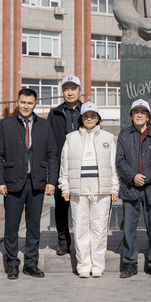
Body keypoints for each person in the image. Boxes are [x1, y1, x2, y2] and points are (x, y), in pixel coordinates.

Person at [0, 89, 57, 280]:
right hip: (12, 182)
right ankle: (12, 263)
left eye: (29, 103)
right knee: (12, 226)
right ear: (17, 103)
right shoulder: (5, 125)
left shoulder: (44, 125)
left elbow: (52, 155)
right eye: (22, 102)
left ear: (35, 104)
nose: (26, 106)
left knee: (34, 226)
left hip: (37, 182)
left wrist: (51, 180)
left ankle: (31, 263)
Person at [59, 102, 118, 278]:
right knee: (80, 229)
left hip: (101, 191)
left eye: (93, 116)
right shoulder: (71, 138)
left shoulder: (108, 137)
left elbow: (113, 166)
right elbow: (65, 165)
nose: (89, 119)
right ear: (81, 118)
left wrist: (114, 187)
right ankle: (83, 265)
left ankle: (98, 265)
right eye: (86, 116)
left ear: (98, 118)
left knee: (99, 229)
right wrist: (65, 186)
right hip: (78, 191)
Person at [115, 99, 151, 279]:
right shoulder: (124, 135)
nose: (139, 115)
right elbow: (120, 160)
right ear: (131, 116)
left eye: (143, 112)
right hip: (130, 187)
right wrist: (133, 176)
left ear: (148, 116)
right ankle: (130, 264)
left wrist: (144, 177)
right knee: (129, 228)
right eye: (136, 112)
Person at [48, 74, 82, 256]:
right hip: (61, 169)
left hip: (83, 168)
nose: (70, 92)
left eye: (73, 88)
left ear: (80, 91)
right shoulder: (54, 113)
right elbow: (49, 143)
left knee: (82, 209)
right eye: (66, 89)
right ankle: (63, 243)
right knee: (61, 209)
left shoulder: (87, 111)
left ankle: (82, 244)